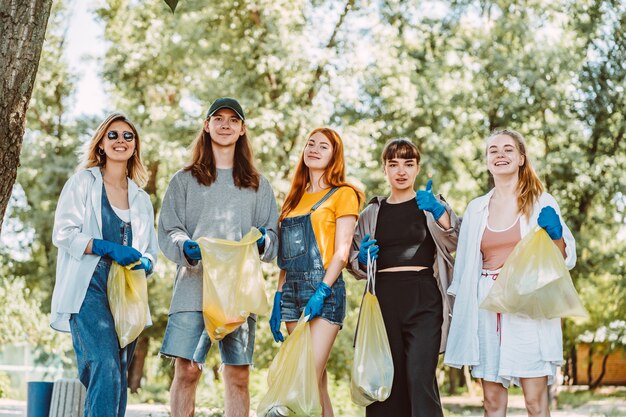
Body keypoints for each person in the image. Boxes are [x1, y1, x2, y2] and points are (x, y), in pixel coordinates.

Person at [158, 97, 279, 417]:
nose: (225, 125)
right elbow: (170, 229)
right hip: (193, 287)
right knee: (187, 371)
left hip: (239, 292)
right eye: (218, 118)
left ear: (242, 129)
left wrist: (265, 240)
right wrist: (185, 246)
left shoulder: (258, 184)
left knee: (238, 375)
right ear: (206, 125)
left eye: (233, 120)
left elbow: (272, 237)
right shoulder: (183, 180)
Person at [444, 129, 576, 417]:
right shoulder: (476, 208)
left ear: (520, 158)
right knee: (492, 402)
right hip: (487, 305)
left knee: (534, 402)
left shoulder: (541, 201)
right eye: (493, 150)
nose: (500, 155)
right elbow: (465, 267)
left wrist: (556, 234)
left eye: (507, 150)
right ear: (487, 160)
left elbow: (565, 258)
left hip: (527, 305)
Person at [51, 112, 158, 417]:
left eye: (127, 136)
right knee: (103, 363)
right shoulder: (83, 183)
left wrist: (147, 263)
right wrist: (104, 247)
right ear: (101, 144)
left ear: (135, 146)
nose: (120, 141)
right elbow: (64, 233)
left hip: (127, 294)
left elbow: (150, 249)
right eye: (112, 135)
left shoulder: (140, 198)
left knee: (118, 372)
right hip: (88, 288)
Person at [347, 138, 459, 417]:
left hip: (424, 298)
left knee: (420, 377)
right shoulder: (371, 212)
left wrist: (439, 211)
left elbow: (457, 241)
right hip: (383, 300)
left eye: (408, 164)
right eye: (393, 164)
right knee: (385, 382)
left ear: (417, 168)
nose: (401, 171)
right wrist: (361, 259)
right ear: (384, 169)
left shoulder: (430, 204)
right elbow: (352, 261)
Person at [268, 127, 363, 417]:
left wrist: (322, 290)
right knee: (318, 385)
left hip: (325, 291)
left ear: (334, 156)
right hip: (291, 294)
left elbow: (342, 251)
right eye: (311, 144)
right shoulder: (292, 200)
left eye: (323, 146)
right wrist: (277, 296)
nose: (314, 149)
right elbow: (285, 258)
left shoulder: (343, 194)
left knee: (304, 377)